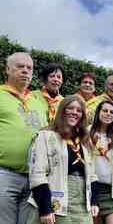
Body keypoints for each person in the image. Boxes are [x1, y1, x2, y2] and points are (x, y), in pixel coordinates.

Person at [26, 95, 99, 224]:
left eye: (79, 110)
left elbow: (92, 175)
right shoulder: (46, 136)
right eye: (70, 108)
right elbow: (37, 174)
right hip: (56, 202)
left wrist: (94, 202)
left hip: (82, 205)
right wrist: (45, 208)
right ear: (62, 110)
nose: (74, 112)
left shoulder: (84, 141)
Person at [0, 52, 45, 224]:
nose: (26, 71)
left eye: (29, 68)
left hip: (34, 178)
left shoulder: (37, 101)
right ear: (8, 69)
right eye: (20, 67)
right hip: (4, 174)